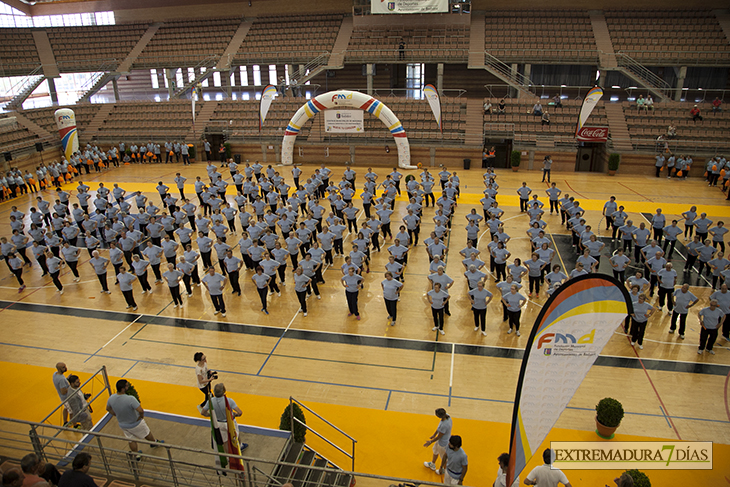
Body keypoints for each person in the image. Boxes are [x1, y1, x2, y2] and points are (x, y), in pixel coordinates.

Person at [106, 379, 163, 458]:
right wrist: (141, 416)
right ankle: (154, 443)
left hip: (123, 425)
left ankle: (136, 455)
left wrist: (115, 414)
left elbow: (108, 409)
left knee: (131, 440)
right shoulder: (130, 399)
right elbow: (140, 410)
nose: (128, 386)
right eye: (126, 385)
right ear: (123, 389)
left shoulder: (111, 398)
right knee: (146, 433)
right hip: (135, 423)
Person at [200, 382, 249, 459]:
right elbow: (240, 412)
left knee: (225, 441)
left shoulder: (211, 401)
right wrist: (234, 415)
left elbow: (203, 412)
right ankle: (240, 447)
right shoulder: (229, 401)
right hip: (229, 422)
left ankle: (228, 457)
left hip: (219, 423)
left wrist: (212, 415)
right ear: (224, 391)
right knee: (235, 436)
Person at [423, 408, 452, 472]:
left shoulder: (444, 425)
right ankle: (433, 464)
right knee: (435, 451)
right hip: (440, 442)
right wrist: (434, 434)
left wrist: (430, 442)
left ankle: (444, 470)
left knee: (444, 458)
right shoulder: (447, 416)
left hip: (443, 444)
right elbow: (439, 428)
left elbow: (439, 436)